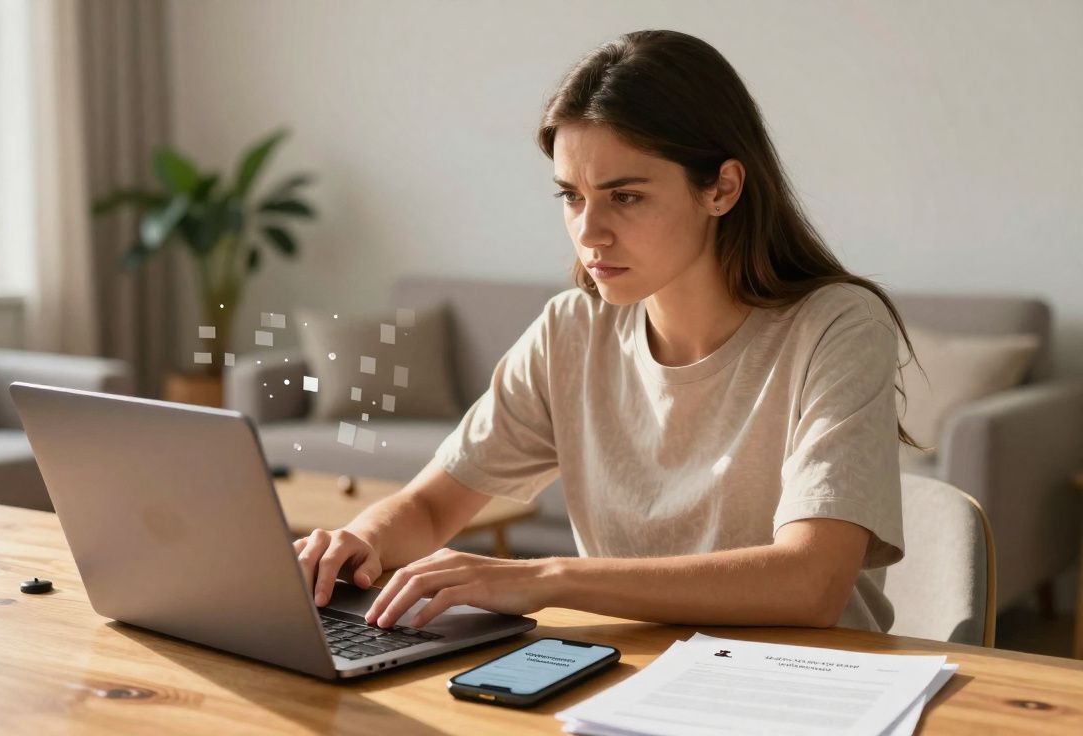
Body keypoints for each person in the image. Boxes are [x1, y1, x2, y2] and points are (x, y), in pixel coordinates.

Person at [292, 29, 924, 634]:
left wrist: (549, 577)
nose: (589, 231)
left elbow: (810, 582)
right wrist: (360, 542)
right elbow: (431, 508)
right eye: (571, 195)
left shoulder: (836, 327)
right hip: (626, 677)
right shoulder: (572, 330)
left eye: (625, 196)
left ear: (723, 189)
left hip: (806, 685)